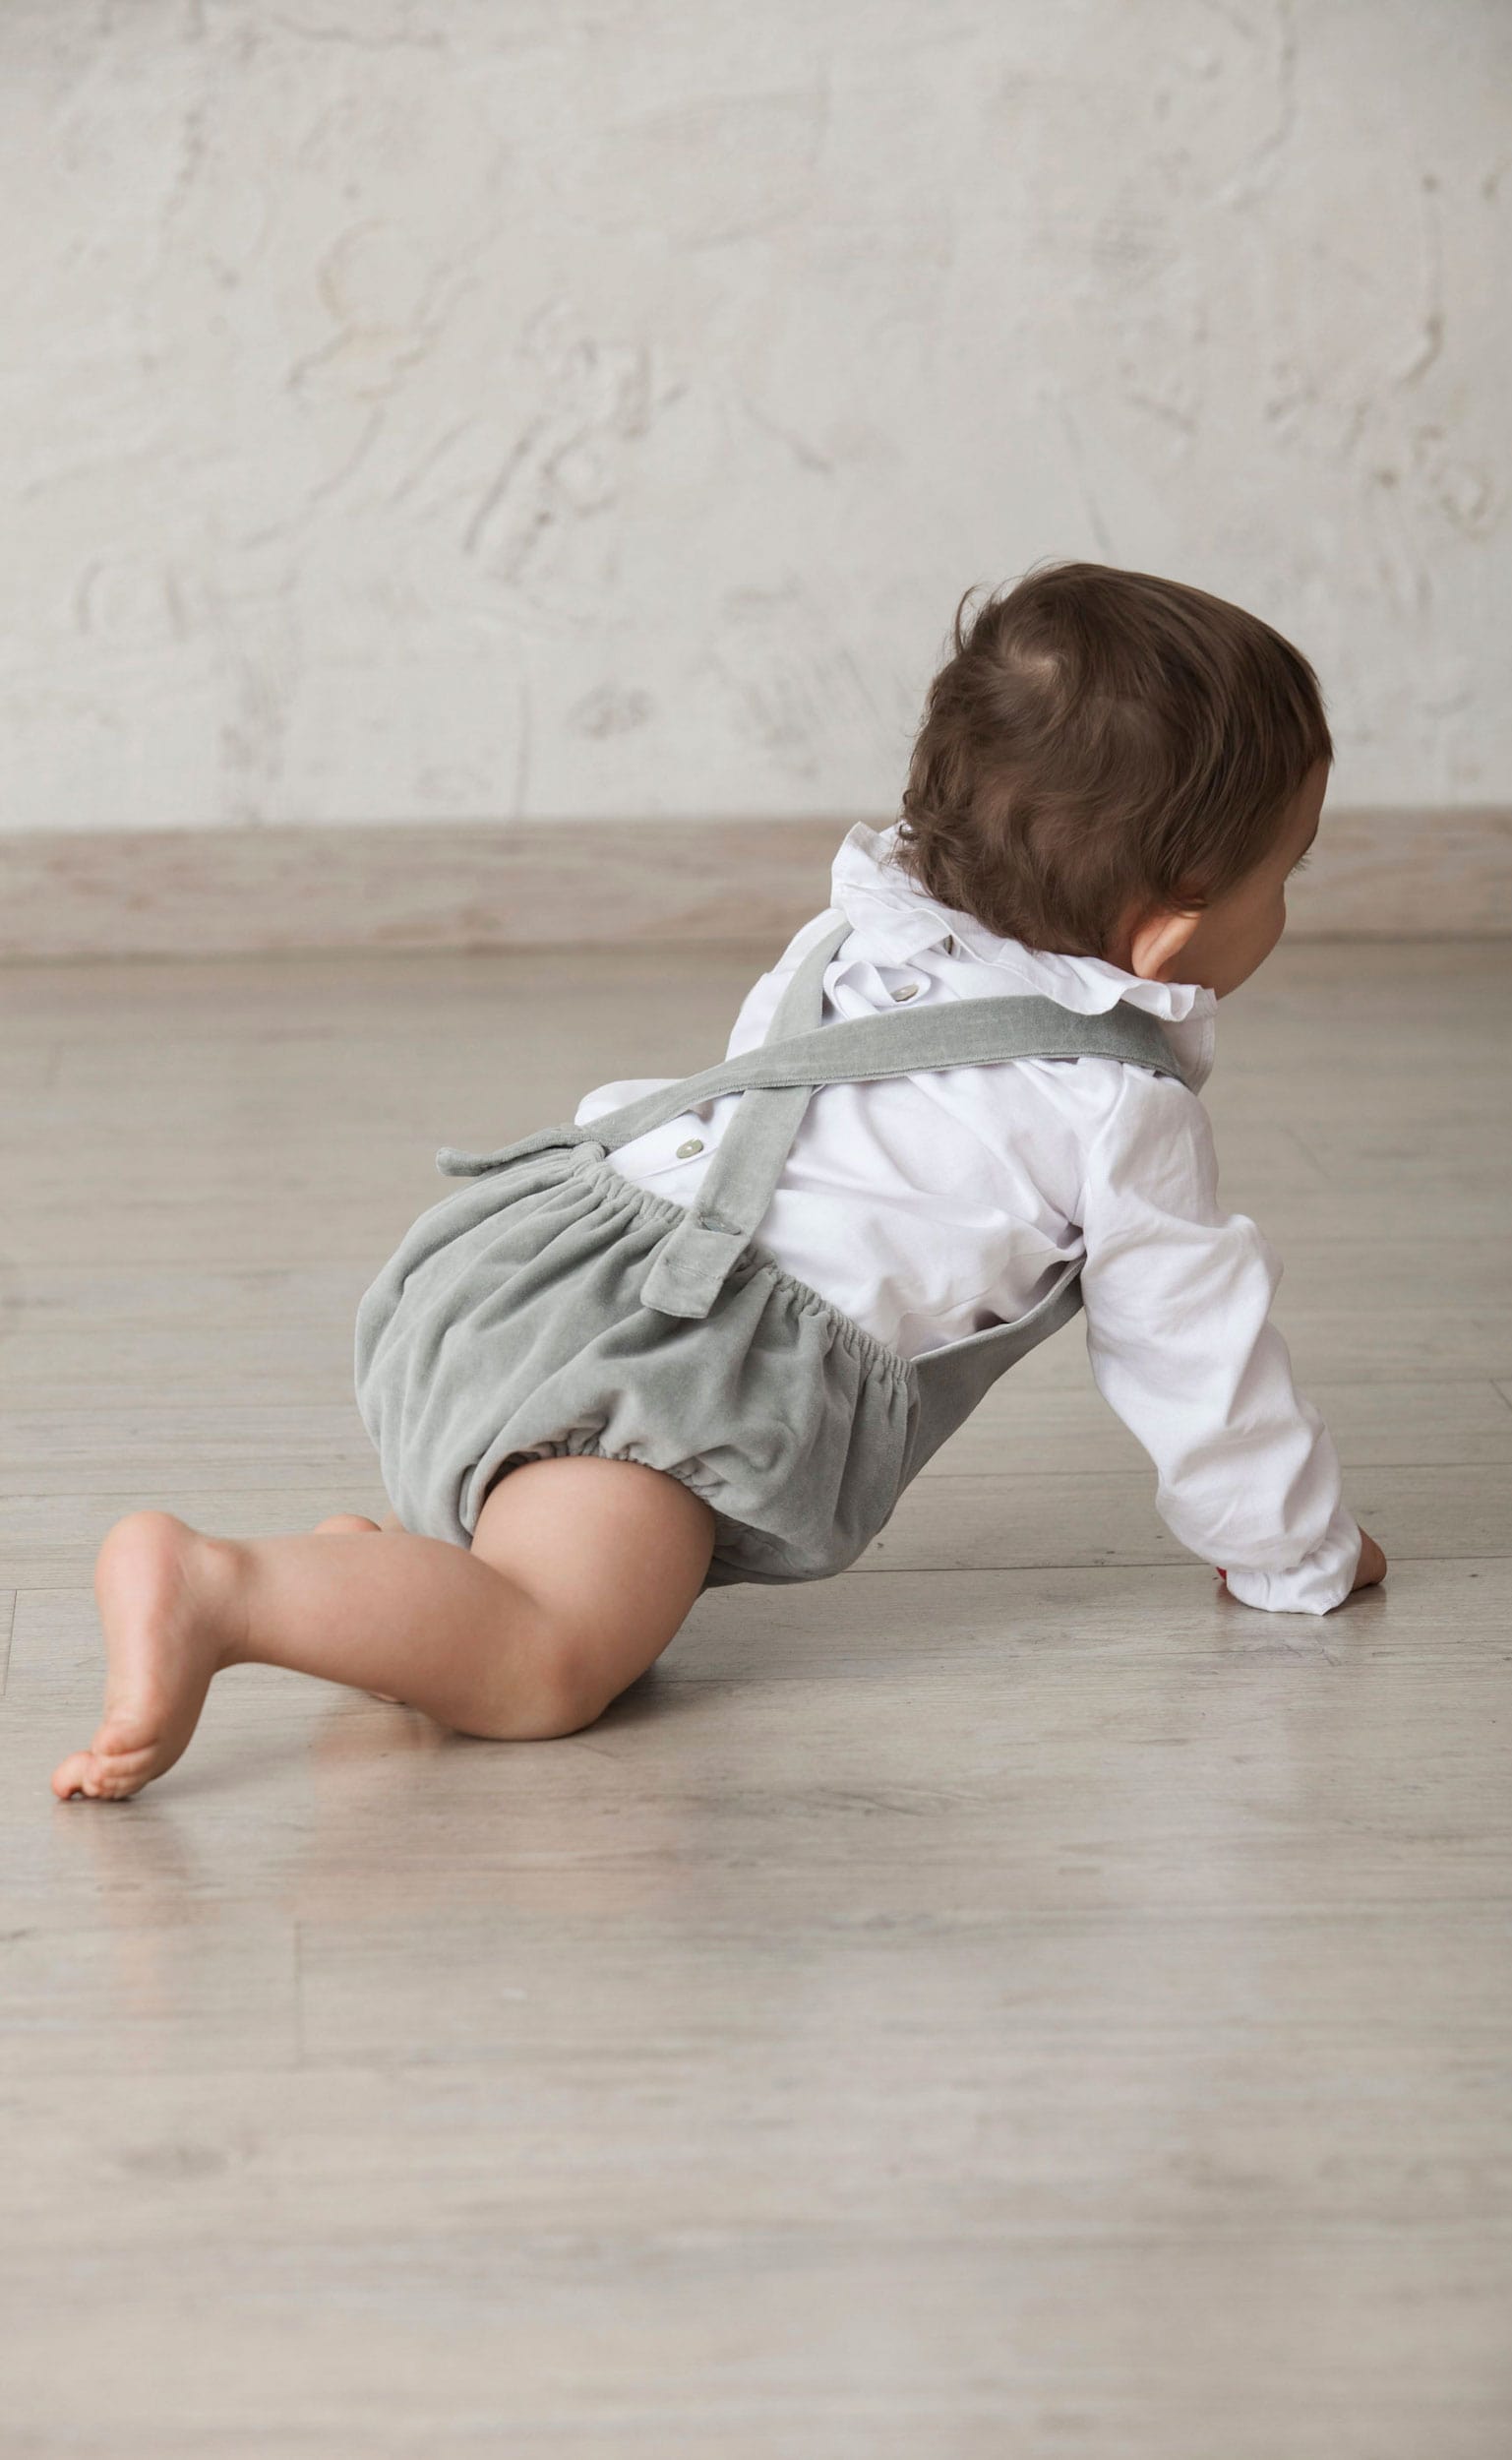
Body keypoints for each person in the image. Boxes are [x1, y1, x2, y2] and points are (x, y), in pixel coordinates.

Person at [53, 562, 1387, 1805]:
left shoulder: (864, 928)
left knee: (573, 1615)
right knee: (555, 1663)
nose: (1290, 907)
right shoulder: (1116, 1104)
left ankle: (373, 1585)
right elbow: (1199, 1365)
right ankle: (218, 1589)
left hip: (532, 1269)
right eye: (1288, 875)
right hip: (676, 1381)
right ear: (1167, 926)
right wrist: (1293, 1555)